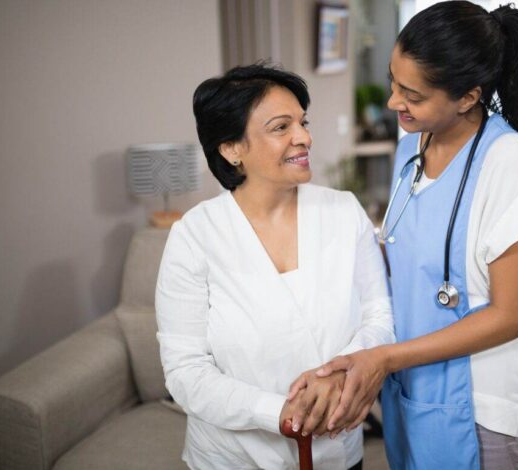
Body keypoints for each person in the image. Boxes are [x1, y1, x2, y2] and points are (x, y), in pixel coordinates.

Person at [289, 2, 518, 469]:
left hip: (485, 405)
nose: (393, 102)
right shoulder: (410, 149)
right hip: (413, 392)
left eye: (412, 95)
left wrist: (387, 358)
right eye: (393, 83)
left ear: (466, 97)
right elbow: (401, 257)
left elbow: (512, 314)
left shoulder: (506, 162)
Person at [155, 63, 394, 470]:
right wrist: (281, 412)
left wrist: (340, 375)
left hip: (337, 451)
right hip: (232, 458)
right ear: (232, 149)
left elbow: (379, 315)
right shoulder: (195, 236)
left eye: (303, 122)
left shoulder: (343, 211)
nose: (304, 137)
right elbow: (186, 372)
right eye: (281, 127)